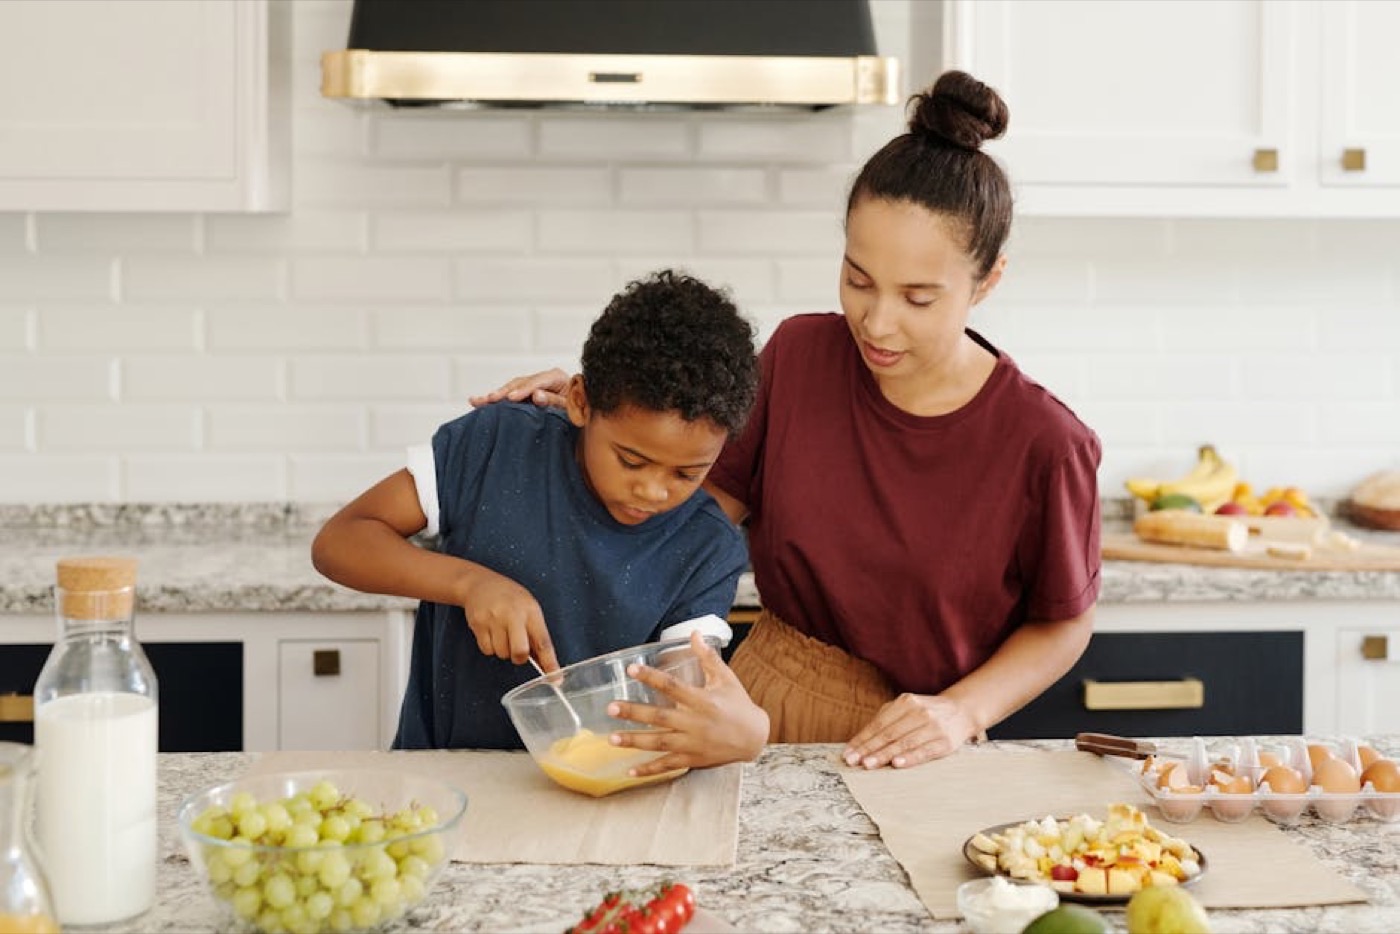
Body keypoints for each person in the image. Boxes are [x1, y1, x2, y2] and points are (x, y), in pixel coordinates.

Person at [470, 70, 1102, 770]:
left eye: (918, 298)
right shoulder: (801, 358)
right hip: (762, 704)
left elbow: (1063, 624)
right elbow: (689, 505)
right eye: (858, 279)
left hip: (920, 744)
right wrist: (602, 415)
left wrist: (962, 711)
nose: (877, 322)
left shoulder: (1046, 443)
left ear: (989, 282)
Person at [312, 268, 768, 772]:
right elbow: (340, 541)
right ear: (579, 401)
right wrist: (469, 584)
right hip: (444, 772)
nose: (653, 491)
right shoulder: (496, 445)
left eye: (688, 472)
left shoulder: (705, 545)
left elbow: (687, 692)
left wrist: (734, 730)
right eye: (631, 461)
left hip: (603, 790)